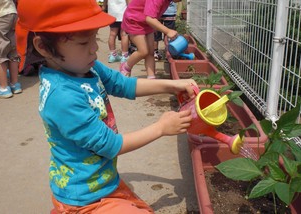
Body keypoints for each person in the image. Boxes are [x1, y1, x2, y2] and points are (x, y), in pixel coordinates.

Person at [16, 0, 196, 213]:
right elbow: (110, 145)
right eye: (83, 43)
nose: (94, 48)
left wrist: (173, 85)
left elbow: (123, 84)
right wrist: (161, 128)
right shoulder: (62, 97)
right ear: (43, 47)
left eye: (94, 37)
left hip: (103, 183)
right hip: (85, 198)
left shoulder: (86, 68)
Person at [121, 0, 182, 79]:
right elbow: (150, 18)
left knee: (150, 52)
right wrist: (168, 31)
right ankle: (126, 67)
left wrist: (156, 25)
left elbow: (153, 14)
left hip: (146, 21)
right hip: (134, 20)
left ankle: (151, 77)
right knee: (143, 51)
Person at [0, 0, 22, 98]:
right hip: (12, 13)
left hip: (0, 16)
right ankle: (15, 84)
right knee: (12, 50)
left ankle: (3, 88)